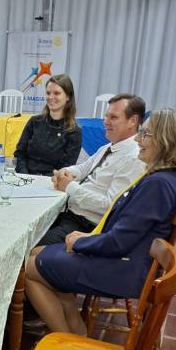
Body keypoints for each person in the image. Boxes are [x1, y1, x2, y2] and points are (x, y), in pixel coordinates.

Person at [25, 108, 176, 335]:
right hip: (127, 256)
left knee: (29, 268)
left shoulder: (158, 184)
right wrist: (88, 237)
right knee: (38, 254)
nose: (138, 140)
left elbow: (119, 242)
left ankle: (65, 338)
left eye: (145, 134)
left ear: (166, 141)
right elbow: (127, 230)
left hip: (124, 268)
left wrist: (81, 243)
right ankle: (76, 329)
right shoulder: (167, 177)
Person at [38, 93, 146, 246]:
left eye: (113, 117)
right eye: (106, 116)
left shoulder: (133, 158)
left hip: (86, 227)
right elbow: (83, 168)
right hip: (70, 215)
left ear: (133, 121)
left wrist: (69, 186)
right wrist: (66, 172)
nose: (105, 122)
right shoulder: (109, 147)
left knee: (28, 246)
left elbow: (110, 206)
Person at [14, 74, 82, 176]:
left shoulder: (74, 132)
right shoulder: (34, 122)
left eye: (56, 93)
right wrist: (25, 175)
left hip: (51, 182)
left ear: (68, 97)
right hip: (24, 178)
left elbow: (66, 167)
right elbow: (20, 153)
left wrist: (42, 181)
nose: (51, 97)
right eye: (48, 93)